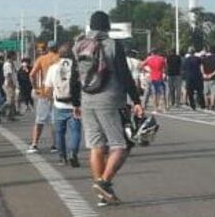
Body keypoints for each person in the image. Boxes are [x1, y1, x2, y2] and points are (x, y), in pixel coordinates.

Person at [71, 11, 143, 207]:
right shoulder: (113, 45)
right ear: (107, 26)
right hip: (110, 101)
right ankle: (104, 182)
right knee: (122, 145)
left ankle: (102, 195)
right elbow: (124, 75)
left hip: (87, 100)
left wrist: (75, 102)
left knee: (96, 147)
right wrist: (136, 100)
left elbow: (74, 76)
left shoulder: (79, 45)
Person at [46, 41, 82, 167]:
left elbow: (48, 88)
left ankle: (62, 158)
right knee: (75, 131)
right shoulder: (77, 67)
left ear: (59, 55)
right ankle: (73, 153)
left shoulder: (53, 68)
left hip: (59, 104)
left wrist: (51, 100)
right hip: (75, 105)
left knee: (59, 132)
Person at [28, 42, 60, 153]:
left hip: (43, 92)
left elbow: (32, 74)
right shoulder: (60, 59)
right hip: (57, 93)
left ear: (47, 48)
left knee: (39, 120)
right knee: (55, 121)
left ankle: (34, 144)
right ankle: (55, 145)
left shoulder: (41, 59)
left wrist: (35, 88)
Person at [141, 48, 167, 112]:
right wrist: (164, 72)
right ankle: (164, 108)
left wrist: (146, 69)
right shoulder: (161, 58)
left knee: (154, 93)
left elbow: (141, 65)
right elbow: (166, 67)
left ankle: (155, 108)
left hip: (152, 77)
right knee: (162, 93)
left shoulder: (149, 59)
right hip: (160, 76)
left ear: (152, 53)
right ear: (157, 52)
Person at [3, 51, 19, 121]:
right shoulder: (7, 64)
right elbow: (8, 75)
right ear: (12, 56)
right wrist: (11, 84)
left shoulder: (11, 64)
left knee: (12, 101)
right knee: (9, 101)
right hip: (9, 84)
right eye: (15, 55)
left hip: (13, 84)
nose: (16, 57)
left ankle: (10, 116)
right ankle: (0, 109)